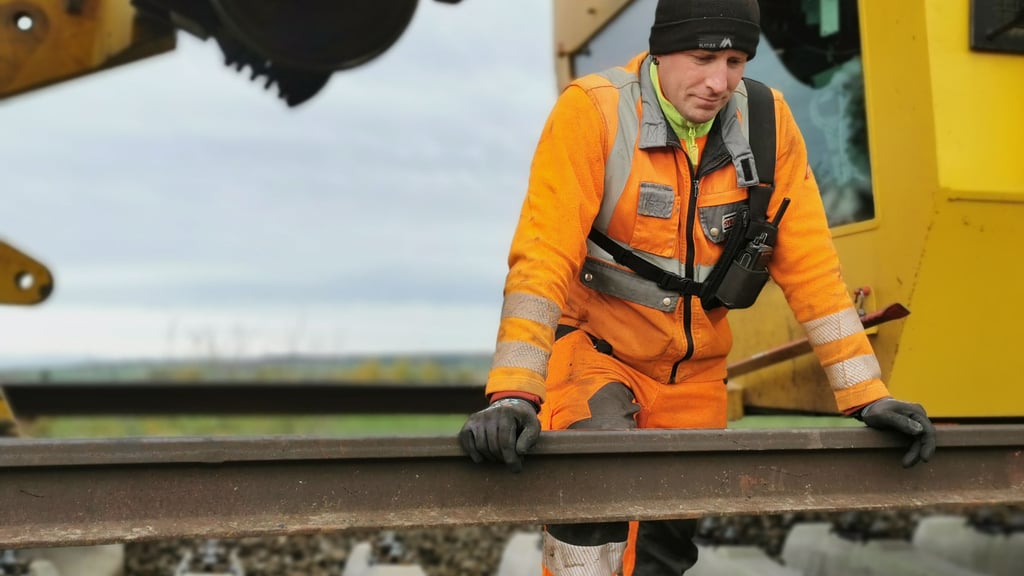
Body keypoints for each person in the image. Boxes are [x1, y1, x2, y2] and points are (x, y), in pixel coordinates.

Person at [459, 1, 937, 574]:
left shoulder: (768, 122)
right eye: (703, 57)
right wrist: (514, 392)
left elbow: (811, 268)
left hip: (696, 375)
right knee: (596, 486)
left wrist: (867, 395)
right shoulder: (593, 113)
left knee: (665, 547)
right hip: (595, 354)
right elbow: (543, 259)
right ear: (660, 51)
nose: (719, 82)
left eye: (735, 61)